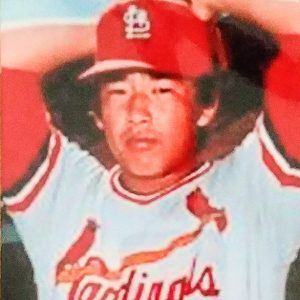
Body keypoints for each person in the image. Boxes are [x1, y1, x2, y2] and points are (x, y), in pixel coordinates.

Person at [2, 0, 300, 299]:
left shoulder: (259, 192)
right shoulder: (61, 197)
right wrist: (116, 32)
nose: (137, 112)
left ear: (206, 107)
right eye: (118, 92)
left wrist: (211, 4)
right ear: (98, 114)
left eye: (161, 90)